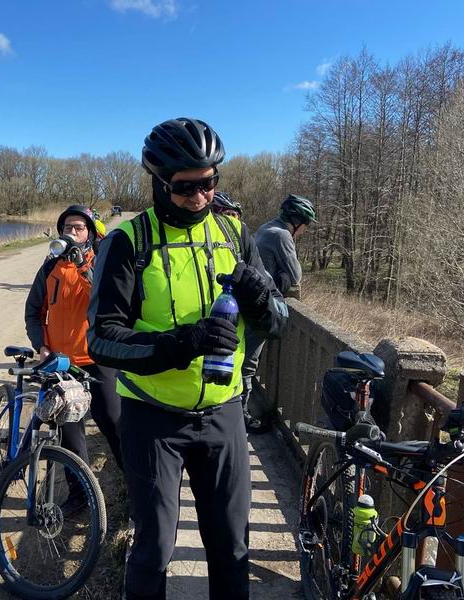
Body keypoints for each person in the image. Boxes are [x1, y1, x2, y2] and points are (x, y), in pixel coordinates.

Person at [87, 117, 288, 600]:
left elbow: (276, 323)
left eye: (209, 182)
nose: (200, 195)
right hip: (153, 419)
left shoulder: (234, 233)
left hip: (223, 415)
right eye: (184, 187)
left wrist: (261, 298)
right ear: (158, 184)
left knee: (231, 548)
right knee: (154, 549)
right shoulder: (128, 242)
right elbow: (102, 340)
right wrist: (184, 342)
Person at [24, 205, 124, 500]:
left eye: (79, 228)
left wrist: (84, 267)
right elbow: (33, 312)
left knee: (113, 421)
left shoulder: (101, 262)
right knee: (70, 434)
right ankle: (80, 496)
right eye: (67, 227)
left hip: (96, 359)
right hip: (59, 363)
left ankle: (135, 485)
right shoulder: (49, 267)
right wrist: (40, 344)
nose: (72, 232)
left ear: (90, 234)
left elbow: (110, 301)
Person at [241, 194, 316, 431]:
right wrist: (283, 278)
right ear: (297, 222)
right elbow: (295, 276)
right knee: (248, 363)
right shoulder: (282, 235)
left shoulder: (266, 227)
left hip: (247, 298)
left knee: (242, 358)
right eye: (305, 226)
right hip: (260, 306)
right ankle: (240, 417)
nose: (303, 232)